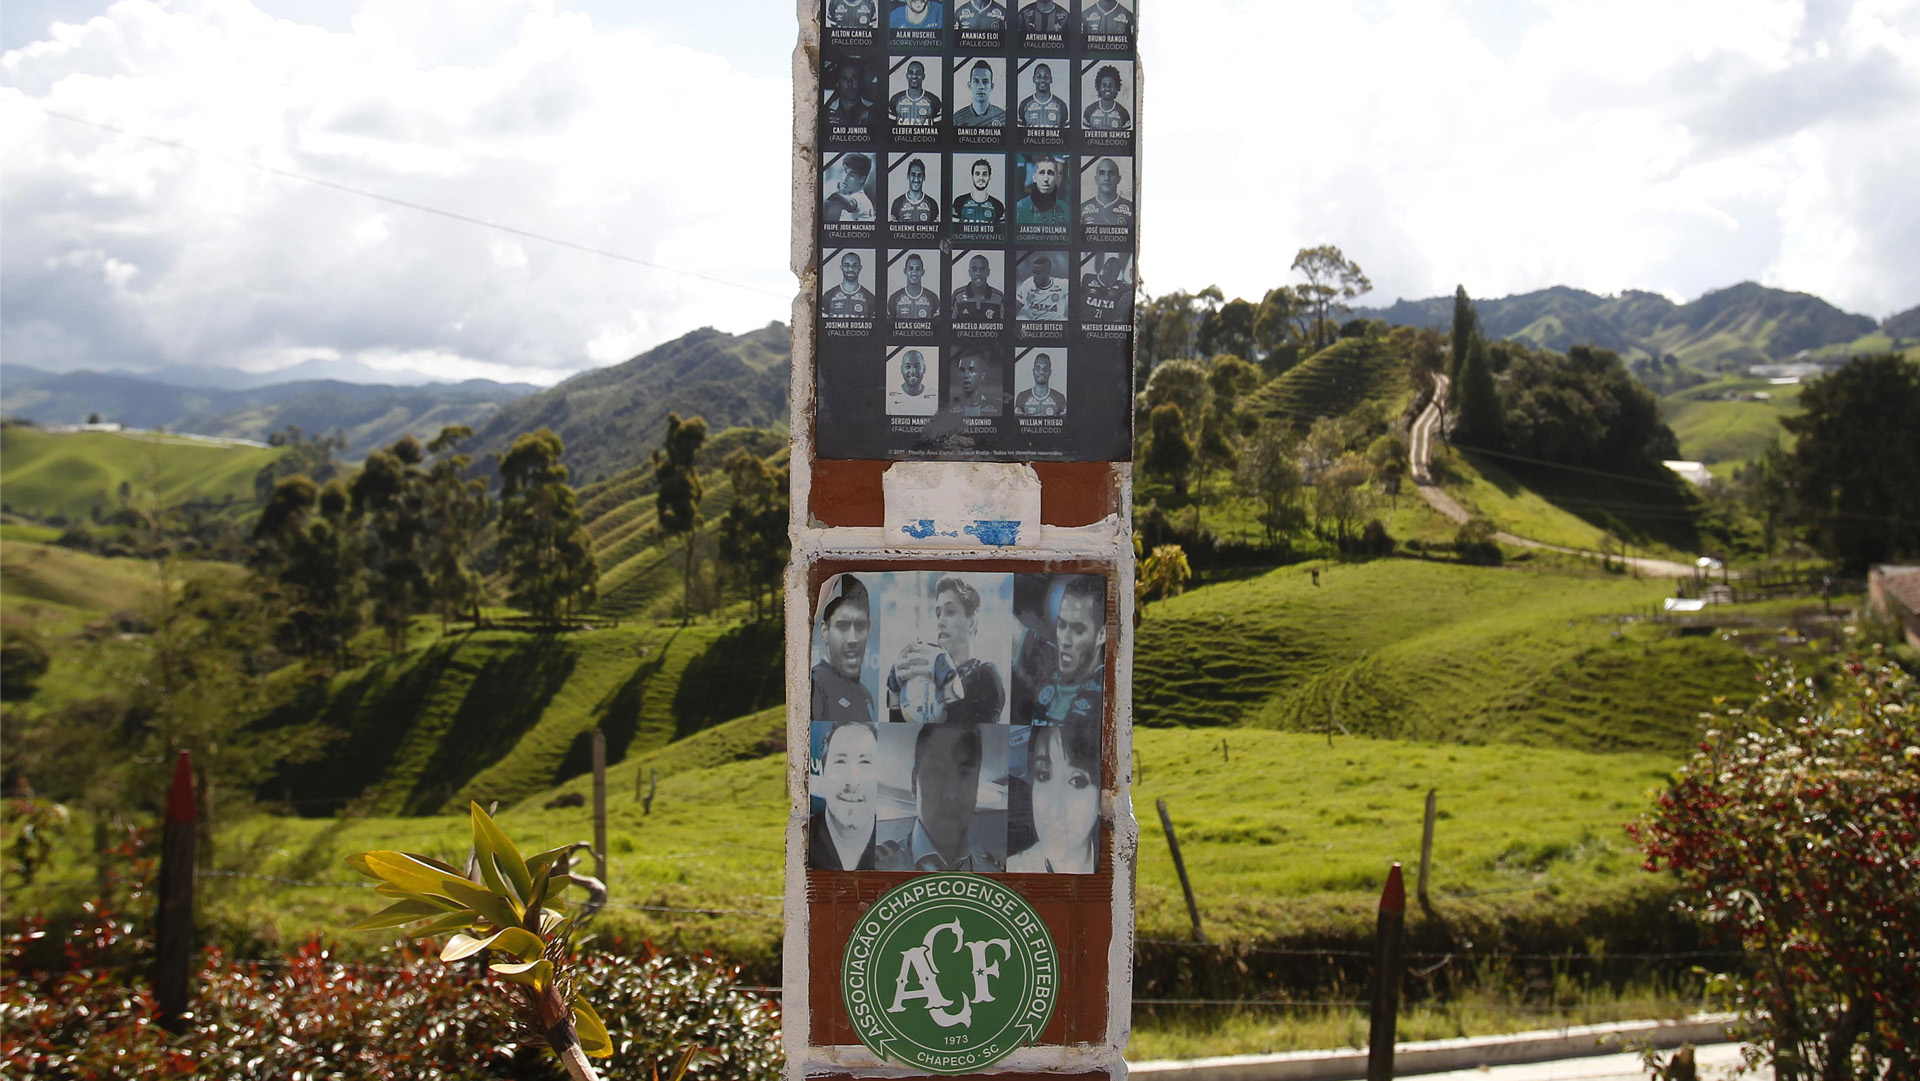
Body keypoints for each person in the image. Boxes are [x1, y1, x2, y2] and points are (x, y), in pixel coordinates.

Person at [875, 723, 1003, 871]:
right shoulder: (879, 866)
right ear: (914, 784)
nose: (952, 793)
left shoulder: (994, 870)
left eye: (965, 774)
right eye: (936, 772)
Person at [888, 576, 1006, 722]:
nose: (940, 622)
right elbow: (905, 737)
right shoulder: (926, 678)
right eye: (938, 614)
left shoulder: (986, 675)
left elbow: (975, 738)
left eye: (950, 612)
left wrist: (950, 689)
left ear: (972, 622)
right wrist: (895, 696)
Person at [1005, 723, 1099, 873]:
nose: (1053, 810)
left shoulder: (1113, 864)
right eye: (1043, 775)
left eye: (1077, 781)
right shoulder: (1014, 869)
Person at [1034, 574, 1106, 725]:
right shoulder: (1046, 664)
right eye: (1061, 625)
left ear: (1101, 634)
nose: (1065, 640)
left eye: (1078, 630)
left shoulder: (1104, 696)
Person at [810, 721, 879, 870]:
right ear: (822, 772)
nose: (853, 781)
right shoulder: (803, 839)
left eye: (865, 762)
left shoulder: (898, 851)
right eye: (840, 761)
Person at [812, 576, 875, 724]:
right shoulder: (815, 685)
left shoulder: (866, 696)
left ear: (868, 629)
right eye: (842, 626)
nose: (852, 639)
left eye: (860, 626)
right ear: (824, 631)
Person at [1015, 155, 1069, 228]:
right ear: (1034, 178)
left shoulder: (1065, 208)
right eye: (1042, 173)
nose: (1046, 179)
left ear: (1057, 178)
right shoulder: (1020, 207)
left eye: (1050, 173)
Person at [951, 60, 1005, 128]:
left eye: (985, 82)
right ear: (969, 85)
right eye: (976, 81)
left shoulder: (1003, 117)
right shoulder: (957, 118)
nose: (981, 87)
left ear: (991, 86)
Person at [950, 254, 1005, 321]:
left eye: (982, 269)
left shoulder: (998, 297)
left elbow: (1006, 326)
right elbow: (949, 324)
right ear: (969, 272)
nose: (978, 273)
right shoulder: (958, 296)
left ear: (988, 272)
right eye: (974, 269)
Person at [1080, 157, 1133, 226]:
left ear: (1118, 179)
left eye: (1111, 173)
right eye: (1102, 173)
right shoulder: (1083, 209)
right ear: (1096, 179)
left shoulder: (1131, 208)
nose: (1106, 178)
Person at [951, 158, 1005, 225]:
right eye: (977, 174)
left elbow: (1001, 233)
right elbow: (954, 231)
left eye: (984, 174)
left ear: (989, 177)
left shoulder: (998, 205)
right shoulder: (959, 201)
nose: (981, 178)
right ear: (972, 176)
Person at [946, 352, 1001, 418]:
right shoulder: (948, 407)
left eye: (971, 370)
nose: (966, 375)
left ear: (982, 375)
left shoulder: (997, 407)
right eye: (962, 370)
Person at [823, 251, 876, 318]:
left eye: (854, 266)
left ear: (860, 268)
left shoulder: (870, 298)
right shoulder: (828, 295)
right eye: (847, 265)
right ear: (841, 267)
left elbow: (874, 327)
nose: (850, 269)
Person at [824, 154, 875, 223]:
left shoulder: (863, 200)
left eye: (852, 175)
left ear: (862, 179)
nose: (845, 178)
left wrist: (830, 193)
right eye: (845, 171)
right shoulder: (847, 195)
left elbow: (850, 203)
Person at [1079, 255, 1131, 322]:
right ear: (1103, 268)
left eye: (1114, 276)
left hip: (1106, 327)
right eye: (1109, 274)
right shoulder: (1088, 278)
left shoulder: (1122, 287)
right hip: (1085, 323)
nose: (1111, 278)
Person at [889, 59, 943, 125]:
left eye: (918, 73)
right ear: (907, 76)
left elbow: (939, 130)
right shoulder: (895, 99)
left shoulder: (934, 100)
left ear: (923, 77)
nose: (914, 76)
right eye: (911, 73)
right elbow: (889, 129)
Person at [1015, 254, 1067, 322]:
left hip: (1057, 327)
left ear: (1048, 272)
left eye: (1038, 273)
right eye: (1033, 272)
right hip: (1036, 326)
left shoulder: (1063, 285)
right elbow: (1016, 308)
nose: (1034, 276)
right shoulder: (1028, 283)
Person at [825, 58, 875, 127]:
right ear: (837, 84)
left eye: (854, 78)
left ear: (860, 82)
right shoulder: (826, 112)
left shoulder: (873, 111)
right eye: (845, 79)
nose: (850, 83)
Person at [1014, 352, 1066, 416]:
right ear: (1033, 371)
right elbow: (1016, 424)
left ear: (1050, 372)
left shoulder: (1060, 398)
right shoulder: (1022, 397)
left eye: (1045, 369)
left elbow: (1065, 425)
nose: (1041, 372)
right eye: (1038, 368)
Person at [888, 350, 938, 415]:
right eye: (908, 367)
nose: (912, 371)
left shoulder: (936, 397)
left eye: (917, 366)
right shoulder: (889, 399)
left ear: (924, 369)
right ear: (902, 369)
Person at [1018, 62, 1067, 129]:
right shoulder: (1024, 104)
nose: (1042, 80)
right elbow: (1020, 134)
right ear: (1034, 79)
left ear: (1051, 79)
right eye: (1038, 76)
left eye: (1046, 77)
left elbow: (1066, 134)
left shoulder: (1061, 105)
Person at [889, 157, 939, 223]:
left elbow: (937, 232)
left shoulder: (932, 204)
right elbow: (892, 232)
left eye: (919, 175)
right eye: (913, 174)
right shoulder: (897, 203)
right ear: (908, 176)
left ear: (924, 177)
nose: (916, 179)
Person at [1084, 64, 1132, 131]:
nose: (1107, 88)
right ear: (1099, 87)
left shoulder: (1123, 113)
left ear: (1116, 88)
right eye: (1104, 85)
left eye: (1111, 85)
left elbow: (1126, 140)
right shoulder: (1089, 111)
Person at [889, 254, 938, 319]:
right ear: (905, 271)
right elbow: (889, 327)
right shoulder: (895, 298)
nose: (914, 272)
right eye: (911, 269)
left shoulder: (932, 298)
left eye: (917, 269)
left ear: (923, 272)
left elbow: (938, 327)